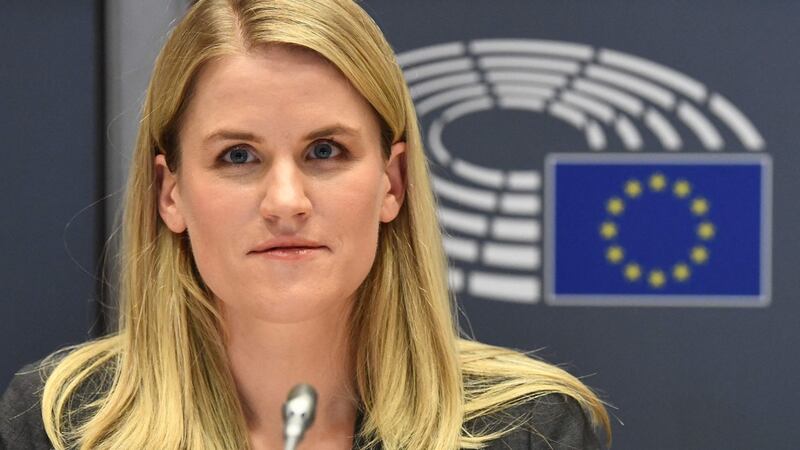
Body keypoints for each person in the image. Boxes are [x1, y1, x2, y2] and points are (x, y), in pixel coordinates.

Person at [0, 0, 611, 449]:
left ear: (392, 185)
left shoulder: (532, 429)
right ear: (171, 194)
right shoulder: (60, 425)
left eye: (325, 151)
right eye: (238, 156)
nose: (285, 202)